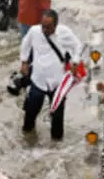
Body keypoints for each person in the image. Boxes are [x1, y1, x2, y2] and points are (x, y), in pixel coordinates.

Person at [19, 9, 83, 140]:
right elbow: (25, 45)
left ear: (56, 25)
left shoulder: (64, 32)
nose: (45, 30)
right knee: (30, 114)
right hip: (38, 81)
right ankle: (27, 139)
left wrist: (75, 62)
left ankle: (57, 147)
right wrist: (24, 62)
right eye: (43, 26)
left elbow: (78, 46)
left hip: (57, 84)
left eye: (48, 27)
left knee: (58, 120)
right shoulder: (34, 31)